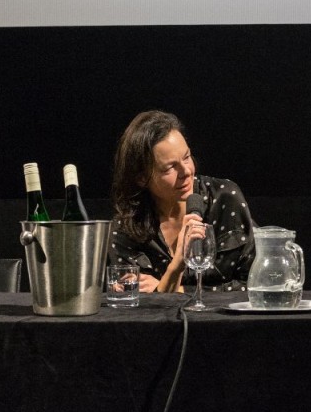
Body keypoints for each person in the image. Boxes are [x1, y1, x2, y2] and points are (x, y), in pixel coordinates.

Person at [109, 110, 256, 293]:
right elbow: (138, 308)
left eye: (187, 157)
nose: (186, 171)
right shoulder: (128, 225)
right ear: (141, 178)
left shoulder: (225, 198)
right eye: (170, 167)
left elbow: (255, 285)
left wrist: (176, 289)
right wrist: (176, 265)